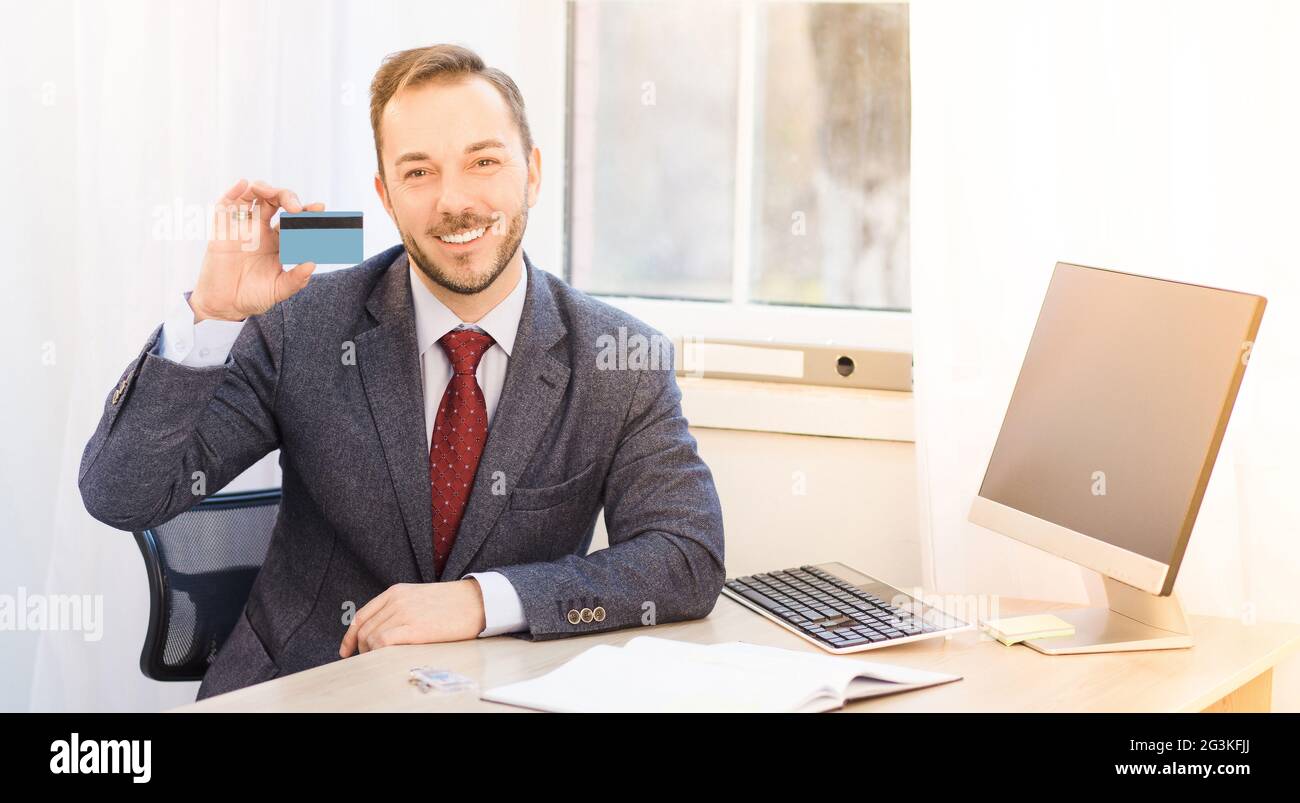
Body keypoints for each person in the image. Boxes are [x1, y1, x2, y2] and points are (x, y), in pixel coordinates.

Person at [79, 43, 725, 700]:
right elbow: (121, 494)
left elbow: (686, 557)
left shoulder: (617, 358)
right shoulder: (303, 324)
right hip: (305, 689)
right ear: (386, 196)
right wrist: (212, 314)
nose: (455, 201)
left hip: (496, 696)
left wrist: (481, 601)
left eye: (484, 161)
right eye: (419, 173)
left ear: (531, 173)